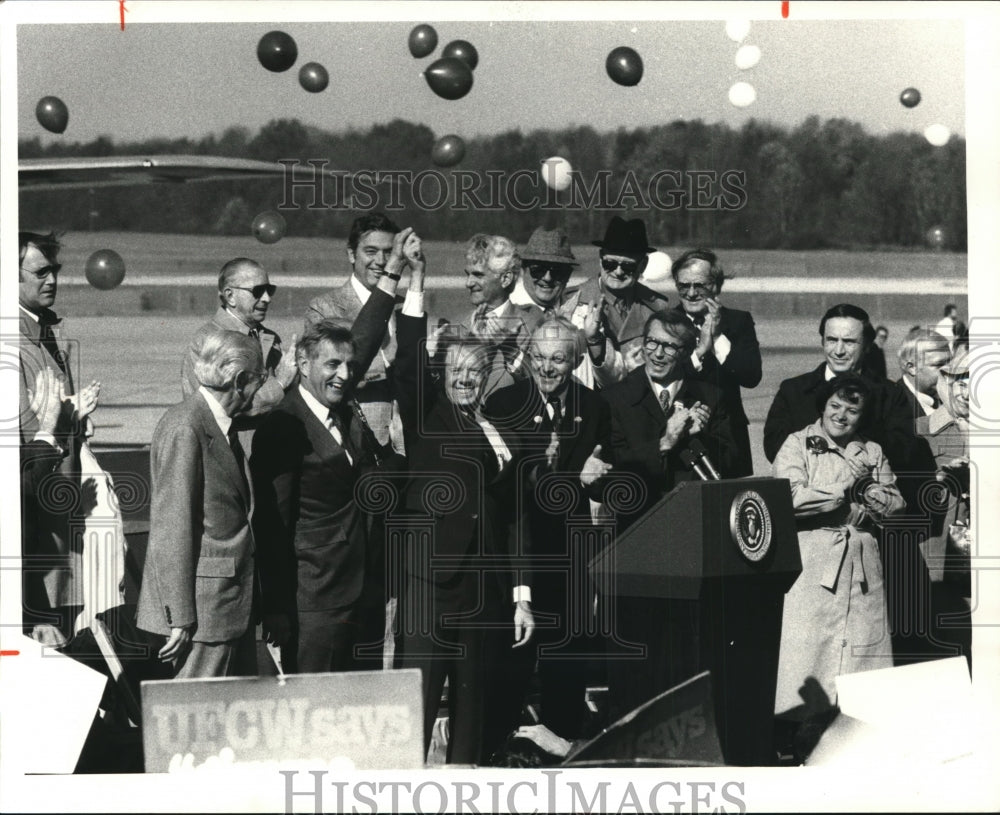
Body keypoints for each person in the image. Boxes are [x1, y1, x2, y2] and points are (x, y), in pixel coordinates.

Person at [250, 230, 418, 675]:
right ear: (302, 365)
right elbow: (273, 526)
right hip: (313, 605)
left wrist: (395, 275)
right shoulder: (284, 427)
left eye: (347, 367)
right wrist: (278, 608)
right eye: (331, 366)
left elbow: (359, 345)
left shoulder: (342, 413)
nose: (344, 376)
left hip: (361, 594)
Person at [399, 334, 534, 765]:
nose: (465, 379)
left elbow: (517, 521)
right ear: (439, 374)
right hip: (431, 584)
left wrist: (521, 598)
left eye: (475, 371)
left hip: (484, 591)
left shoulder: (502, 430)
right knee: (414, 706)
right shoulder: (428, 416)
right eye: (456, 370)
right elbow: (407, 365)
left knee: (472, 710)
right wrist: (414, 288)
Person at [483, 315, 613, 744]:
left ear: (575, 360)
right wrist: (565, 475)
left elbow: (608, 470)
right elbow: (503, 487)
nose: (546, 367)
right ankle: (498, 747)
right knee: (512, 660)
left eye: (558, 359)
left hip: (571, 554)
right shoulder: (503, 405)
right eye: (538, 357)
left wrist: (597, 473)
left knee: (567, 659)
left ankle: (563, 746)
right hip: (520, 553)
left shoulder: (593, 406)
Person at [599, 310, 735, 719]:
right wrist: (665, 441)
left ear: (688, 350)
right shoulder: (616, 398)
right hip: (636, 545)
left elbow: (733, 467)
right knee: (635, 660)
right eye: (652, 343)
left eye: (670, 346)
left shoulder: (710, 395)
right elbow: (615, 477)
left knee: (687, 657)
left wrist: (703, 437)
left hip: (691, 546)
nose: (657, 353)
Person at [773, 376, 903, 732]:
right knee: (809, 657)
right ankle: (797, 738)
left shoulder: (871, 451)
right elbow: (790, 498)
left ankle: (857, 738)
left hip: (863, 571)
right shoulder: (797, 444)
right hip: (814, 566)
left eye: (852, 410)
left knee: (862, 660)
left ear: (863, 416)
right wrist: (849, 485)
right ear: (823, 405)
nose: (842, 416)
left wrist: (871, 497)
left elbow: (895, 505)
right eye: (835, 406)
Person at [136, 328, 267, 678]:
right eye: (260, 379)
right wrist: (178, 616)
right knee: (194, 720)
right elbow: (172, 526)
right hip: (201, 617)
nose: (261, 389)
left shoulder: (220, 426)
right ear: (240, 380)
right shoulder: (186, 427)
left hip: (228, 608)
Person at [18, 231, 102, 644]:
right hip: (38, 524)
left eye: (55, 271)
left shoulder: (43, 329)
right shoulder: (12, 341)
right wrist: (65, 419)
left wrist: (75, 419)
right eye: (39, 272)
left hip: (61, 510)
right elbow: (26, 444)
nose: (51, 279)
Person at [306, 212, 426, 452]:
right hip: (356, 441)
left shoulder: (407, 306)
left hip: (408, 442)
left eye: (389, 252)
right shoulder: (323, 308)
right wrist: (388, 358)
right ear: (351, 254)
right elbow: (325, 375)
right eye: (370, 252)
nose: (380, 261)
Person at [762, 303, 914, 467]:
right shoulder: (793, 391)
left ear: (867, 346)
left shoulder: (890, 394)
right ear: (822, 341)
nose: (839, 350)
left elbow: (902, 452)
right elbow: (774, 448)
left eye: (849, 342)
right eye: (832, 340)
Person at [181, 258, 298, 442]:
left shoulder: (270, 338)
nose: (267, 298)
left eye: (270, 290)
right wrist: (280, 384)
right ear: (230, 296)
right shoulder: (207, 341)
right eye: (258, 291)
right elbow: (214, 409)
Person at [670, 248, 762, 477]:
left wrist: (719, 337)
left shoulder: (738, 321)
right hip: (682, 433)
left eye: (699, 285)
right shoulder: (666, 324)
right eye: (683, 286)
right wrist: (699, 354)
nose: (690, 293)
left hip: (728, 436)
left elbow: (751, 376)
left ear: (716, 286)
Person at [562, 217, 670, 389]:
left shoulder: (658, 307)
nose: (618, 272)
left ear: (643, 265)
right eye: (609, 264)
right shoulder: (572, 302)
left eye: (628, 266)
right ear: (600, 259)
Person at [915, 351, 972, 667]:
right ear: (947, 382)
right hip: (938, 563)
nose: (967, 393)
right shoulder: (921, 429)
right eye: (961, 382)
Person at [459, 233, 533, 397]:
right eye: (468, 274)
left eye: (478, 275)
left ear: (505, 279)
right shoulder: (461, 326)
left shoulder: (531, 323)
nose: (468, 283)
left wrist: (510, 351)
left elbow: (542, 381)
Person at [509, 226, 578, 328]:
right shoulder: (503, 308)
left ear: (568, 275)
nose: (547, 278)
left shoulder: (582, 316)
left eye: (557, 271)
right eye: (538, 270)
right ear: (523, 269)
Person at [893, 329, 951, 419]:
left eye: (950, 363)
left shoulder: (950, 397)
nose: (949, 370)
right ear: (912, 368)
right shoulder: (894, 408)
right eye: (939, 364)